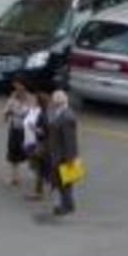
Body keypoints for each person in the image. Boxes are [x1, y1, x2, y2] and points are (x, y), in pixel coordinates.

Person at [42, 89, 82, 217]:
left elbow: (70, 141)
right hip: (58, 154)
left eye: (53, 101)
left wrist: (70, 159)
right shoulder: (59, 112)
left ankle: (66, 206)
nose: (52, 103)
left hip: (64, 156)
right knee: (60, 181)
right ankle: (68, 204)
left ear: (58, 102)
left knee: (65, 182)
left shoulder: (67, 118)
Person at [1, 82, 32, 188]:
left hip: (26, 130)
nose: (17, 88)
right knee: (13, 152)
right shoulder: (13, 97)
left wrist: (18, 112)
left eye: (19, 85)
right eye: (16, 86)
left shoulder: (30, 99)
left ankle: (42, 176)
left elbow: (31, 113)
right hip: (15, 128)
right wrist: (6, 114)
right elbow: (6, 110)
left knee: (30, 153)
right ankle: (14, 176)